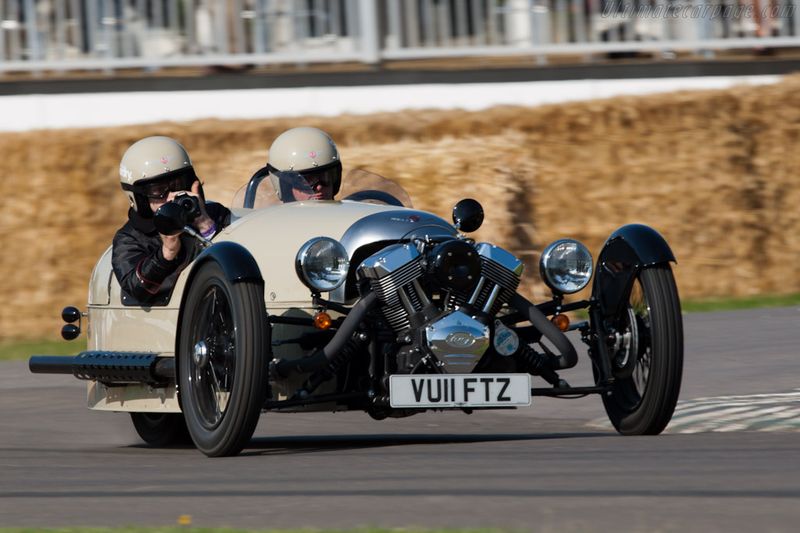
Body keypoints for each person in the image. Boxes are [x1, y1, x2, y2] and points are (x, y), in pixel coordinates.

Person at [112, 136, 231, 306]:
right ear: (140, 197)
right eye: (158, 190)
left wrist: (205, 224)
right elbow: (137, 288)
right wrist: (166, 253)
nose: (172, 196)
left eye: (178, 184)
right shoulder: (129, 238)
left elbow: (241, 257)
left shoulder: (216, 214)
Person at [265, 127, 342, 202]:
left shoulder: (348, 214)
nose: (319, 187)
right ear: (286, 186)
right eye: (307, 181)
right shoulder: (273, 215)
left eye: (325, 178)